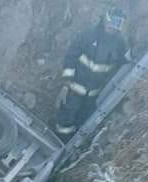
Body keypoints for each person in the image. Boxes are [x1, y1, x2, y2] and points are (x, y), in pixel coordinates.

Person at [54, 7, 131, 142]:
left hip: (92, 96)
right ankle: (59, 143)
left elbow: (121, 62)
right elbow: (70, 58)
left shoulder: (119, 43)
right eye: (110, 23)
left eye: (116, 25)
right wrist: (65, 85)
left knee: (82, 123)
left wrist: (135, 53)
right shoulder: (88, 35)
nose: (112, 28)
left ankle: (70, 148)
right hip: (74, 90)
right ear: (105, 19)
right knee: (65, 120)